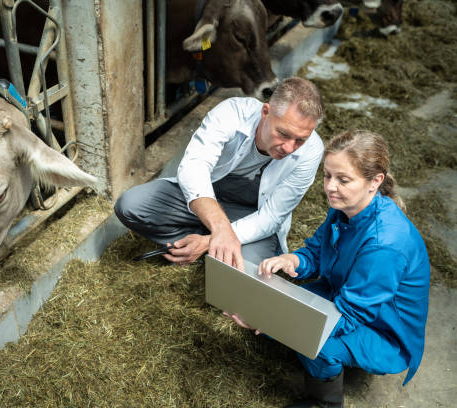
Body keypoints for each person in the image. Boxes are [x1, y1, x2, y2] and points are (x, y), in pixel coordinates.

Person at [230, 130, 430, 408]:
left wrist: (276, 320)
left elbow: (352, 313)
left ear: (375, 182)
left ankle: (325, 402)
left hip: (382, 326)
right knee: (280, 302)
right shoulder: (344, 206)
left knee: (314, 338)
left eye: (343, 179)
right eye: (327, 176)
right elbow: (316, 250)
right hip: (343, 292)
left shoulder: (385, 244)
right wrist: (293, 260)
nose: (330, 187)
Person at [114, 77, 325, 270]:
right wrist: (220, 229)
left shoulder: (312, 150)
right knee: (131, 205)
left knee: (247, 270)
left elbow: (270, 217)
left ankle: (204, 245)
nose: (289, 148)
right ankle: (211, 244)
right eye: (283, 133)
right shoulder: (232, 112)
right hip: (205, 201)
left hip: (251, 215)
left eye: (300, 140)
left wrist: (211, 240)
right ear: (266, 112)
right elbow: (193, 168)